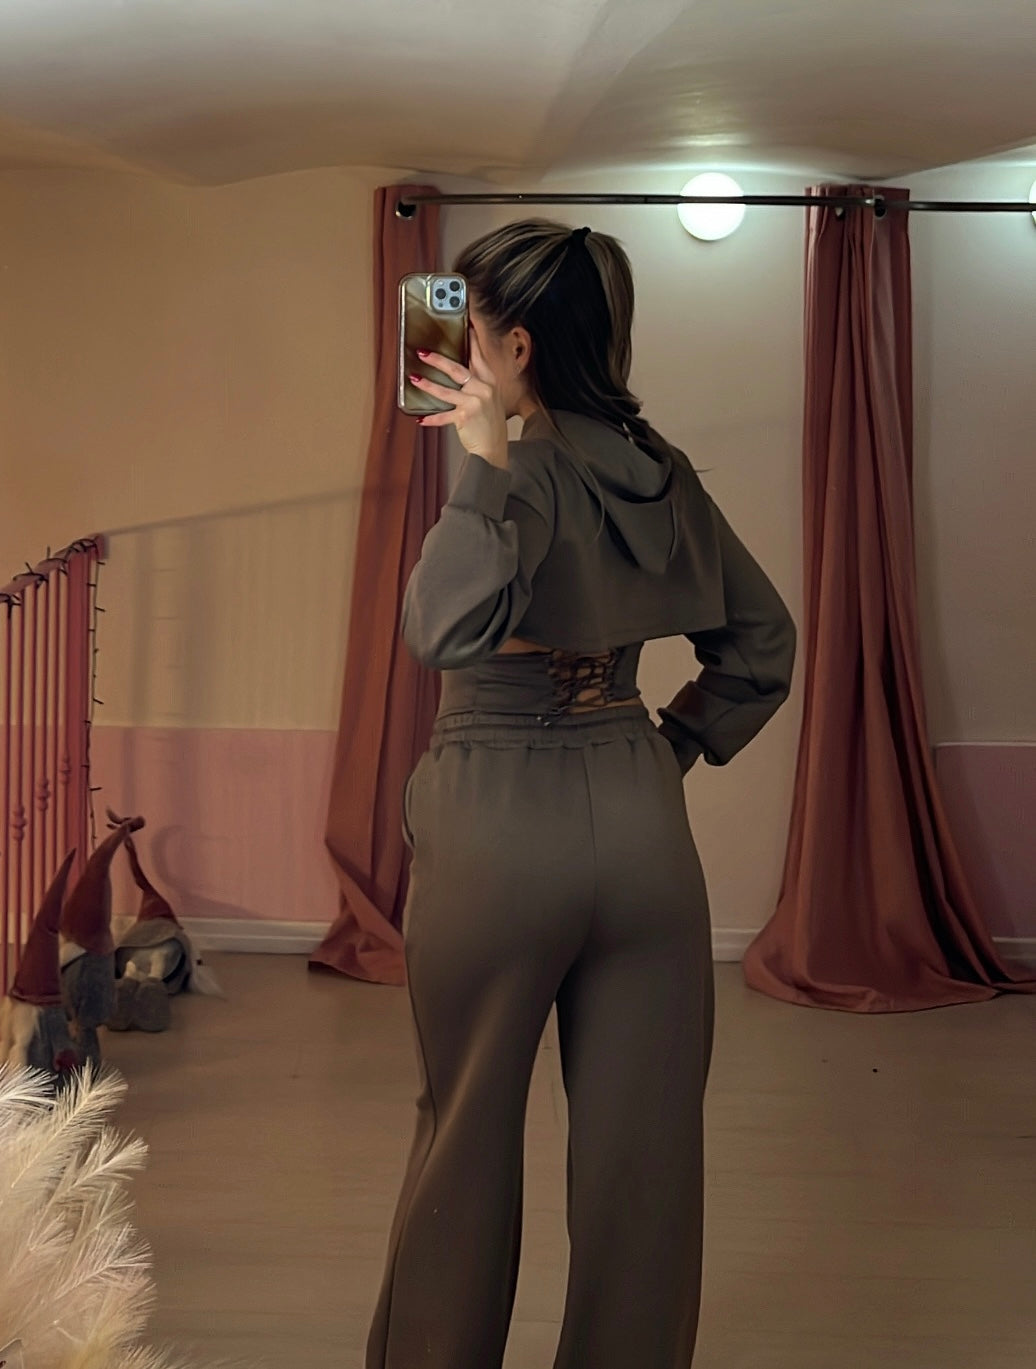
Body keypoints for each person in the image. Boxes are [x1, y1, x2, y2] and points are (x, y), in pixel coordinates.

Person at [367, 219, 796, 1369]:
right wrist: (666, 749)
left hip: (499, 820)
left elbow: (440, 629)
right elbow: (763, 645)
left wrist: (484, 464)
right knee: (645, 1163)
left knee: (463, 1138)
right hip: (641, 823)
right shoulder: (664, 471)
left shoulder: (518, 473)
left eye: (469, 327)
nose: (455, 347)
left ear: (513, 345)